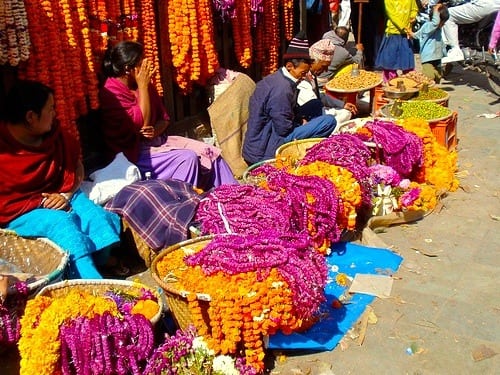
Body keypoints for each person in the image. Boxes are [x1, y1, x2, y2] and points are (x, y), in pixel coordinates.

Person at [0, 80, 121, 279]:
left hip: (63, 193)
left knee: (95, 217)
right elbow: (5, 203)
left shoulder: (54, 135)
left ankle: (99, 261)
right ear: (31, 117)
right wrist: (41, 202)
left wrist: (66, 194)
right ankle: (91, 283)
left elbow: (76, 167)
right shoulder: (4, 149)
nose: (54, 114)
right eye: (50, 109)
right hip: (21, 211)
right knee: (61, 223)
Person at [99, 41, 238, 191]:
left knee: (210, 154)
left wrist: (155, 130)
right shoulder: (112, 92)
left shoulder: (142, 85)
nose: (147, 68)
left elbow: (164, 119)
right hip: (132, 155)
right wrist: (143, 87)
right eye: (141, 64)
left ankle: (234, 194)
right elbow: (141, 124)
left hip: (158, 142)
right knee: (187, 159)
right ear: (128, 69)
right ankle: (183, 204)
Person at [242, 32, 337, 166]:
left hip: (269, 133)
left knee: (315, 104)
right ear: (289, 67)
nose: (304, 77)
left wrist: (300, 119)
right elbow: (283, 128)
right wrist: (300, 123)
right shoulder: (282, 89)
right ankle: (303, 150)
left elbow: (287, 111)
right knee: (329, 121)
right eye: (302, 73)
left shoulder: (279, 78)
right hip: (266, 147)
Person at [297, 38, 358, 125]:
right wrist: (334, 111)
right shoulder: (303, 80)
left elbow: (320, 96)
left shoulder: (312, 75)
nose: (325, 71)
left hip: (317, 112)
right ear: (313, 62)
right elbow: (314, 108)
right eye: (323, 66)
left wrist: (342, 104)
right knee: (342, 115)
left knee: (345, 113)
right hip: (311, 117)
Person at [375, 0, 419, 81]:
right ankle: (390, 84)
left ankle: (409, 83)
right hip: (393, 33)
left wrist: (413, 17)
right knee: (390, 63)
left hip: (405, 35)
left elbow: (414, 9)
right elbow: (392, 15)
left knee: (407, 62)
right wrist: (405, 28)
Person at [411, 3, 450, 83]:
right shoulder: (429, 26)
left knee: (437, 77)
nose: (443, 24)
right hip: (428, 58)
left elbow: (418, 35)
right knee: (429, 75)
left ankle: (436, 79)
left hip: (437, 57)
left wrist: (411, 34)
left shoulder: (438, 29)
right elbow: (435, 23)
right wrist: (436, 9)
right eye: (442, 22)